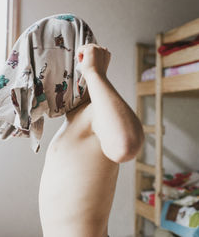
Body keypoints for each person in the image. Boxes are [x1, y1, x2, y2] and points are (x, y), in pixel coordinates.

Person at [38, 43, 144, 237]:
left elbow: (125, 145)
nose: (41, 90)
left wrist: (95, 73)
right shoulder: (70, 123)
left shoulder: (93, 113)